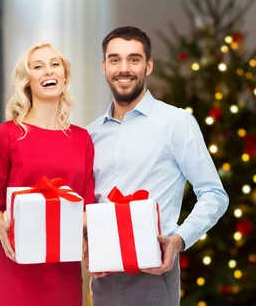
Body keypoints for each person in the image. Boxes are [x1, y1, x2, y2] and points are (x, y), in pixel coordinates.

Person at [86, 26, 229, 306]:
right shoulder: (89, 134)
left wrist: (177, 241)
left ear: (148, 65)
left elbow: (214, 194)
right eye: (115, 60)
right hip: (103, 279)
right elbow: (86, 201)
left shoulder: (176, 122)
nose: (123, 68)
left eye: (134, 59)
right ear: (104, 67)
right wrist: (85, 243)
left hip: (154, 272)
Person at [0, 42, 95, 306]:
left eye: (55, 64)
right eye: (38, 66)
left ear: (64, 76)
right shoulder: (8, 135)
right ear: (27, 81)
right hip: (17, 266)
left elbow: (89, 205)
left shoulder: (82, 139)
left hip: (63, 266)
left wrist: (68, 226)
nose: (49, 71)